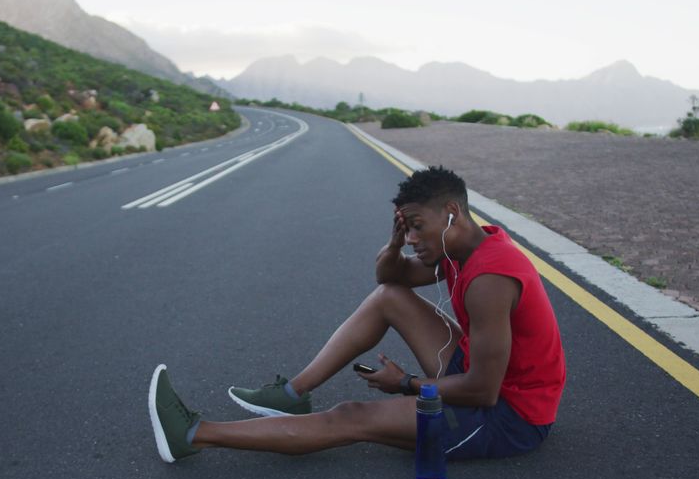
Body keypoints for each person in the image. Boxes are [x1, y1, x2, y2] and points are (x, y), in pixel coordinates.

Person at [149, 166, 565, 463]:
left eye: (418, 226)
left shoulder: (491, 278)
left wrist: (405, 384)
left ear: (452, 212)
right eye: (408, 228)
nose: (414, 239)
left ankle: (194, 435)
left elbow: (483, 392)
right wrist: (395, 240)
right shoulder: (465, 246)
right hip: (477, 372)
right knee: (389, 296)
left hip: (506, 415)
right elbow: (391, 276)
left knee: (352, 416)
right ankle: (292, 395)